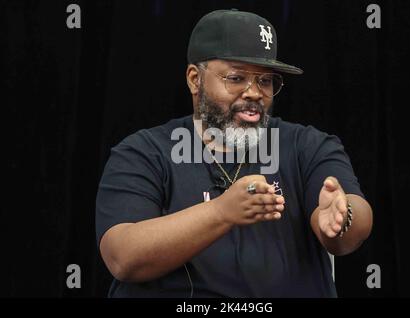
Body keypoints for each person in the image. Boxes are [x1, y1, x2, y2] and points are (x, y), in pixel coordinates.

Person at [96, 9, 373, 298]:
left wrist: (342, 218)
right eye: (236, 77)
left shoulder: (307, 145)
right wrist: (221, 212)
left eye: (265, 81)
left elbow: (352, 224)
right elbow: (122, 257)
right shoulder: (144, 152)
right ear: (195, 79)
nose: (254, 92)